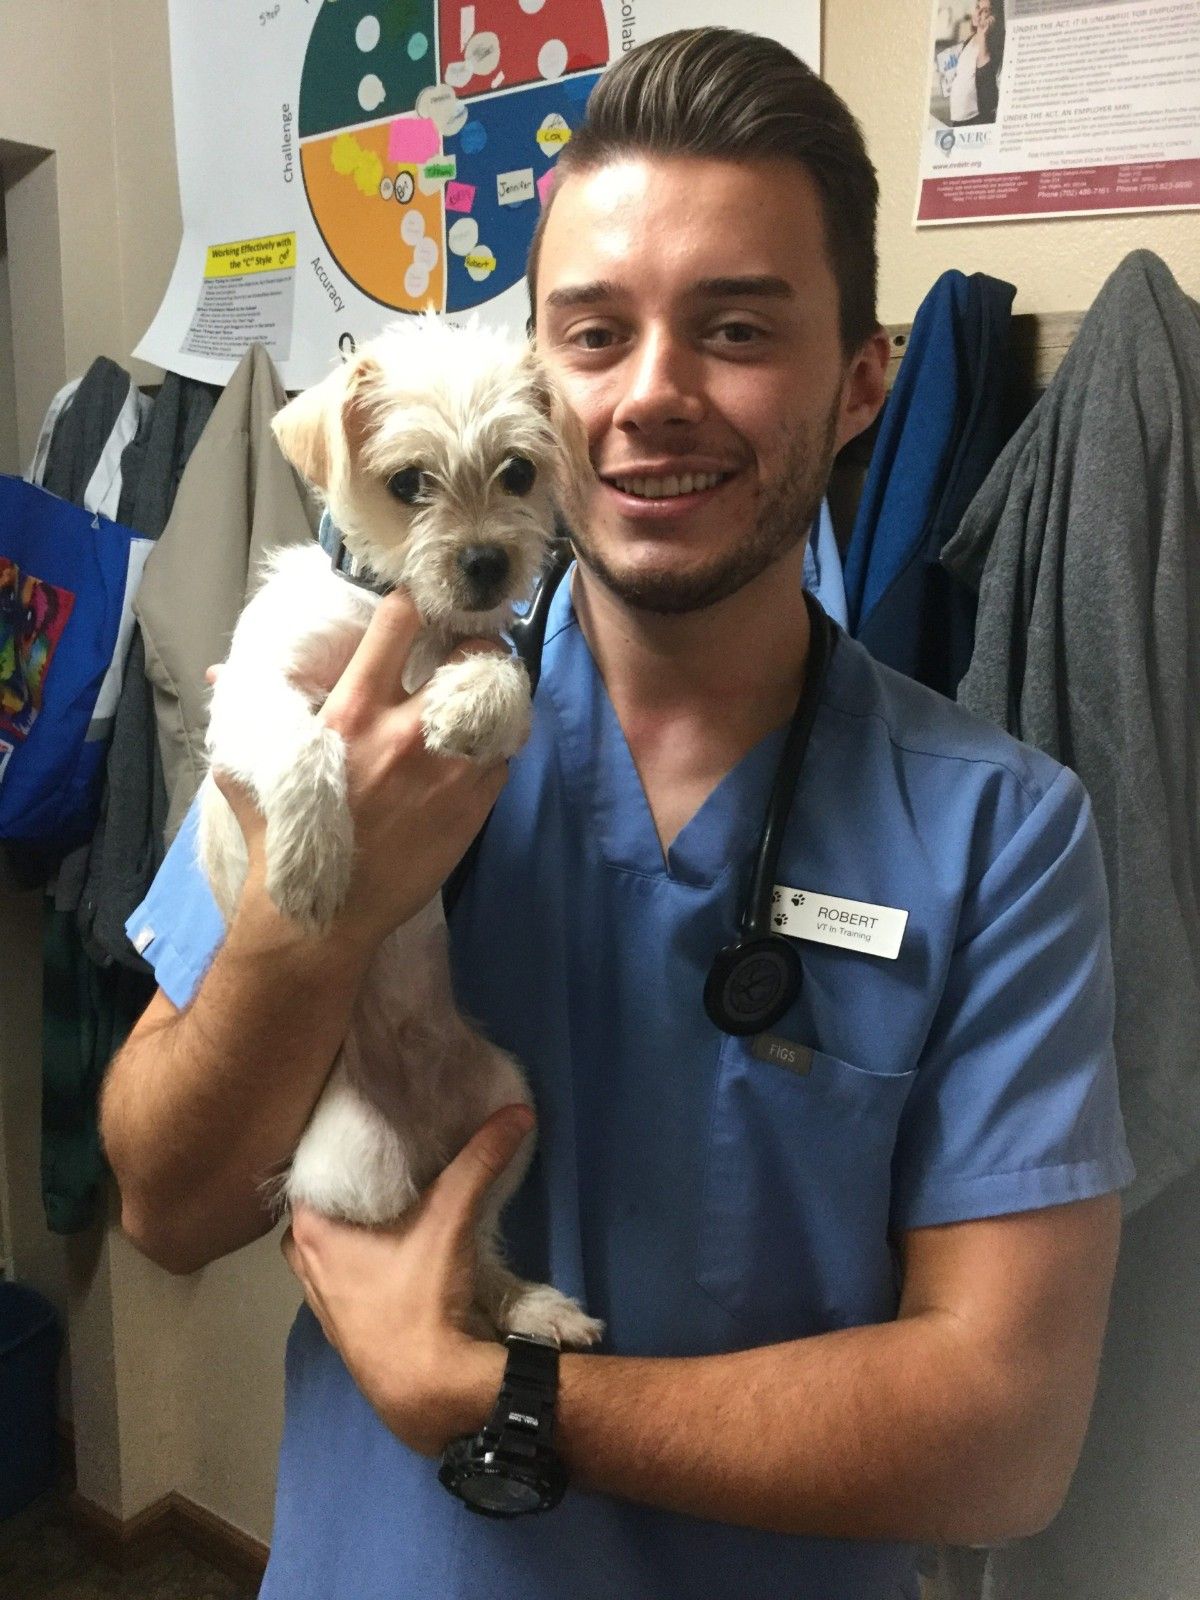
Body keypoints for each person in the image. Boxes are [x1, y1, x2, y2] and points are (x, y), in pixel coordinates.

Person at [100, 26, 1132, 1600]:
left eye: (733, 328)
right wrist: (328, 923)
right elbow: (161, 1204)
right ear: (532, 374)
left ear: (863, 383)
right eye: (592, 335)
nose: (650, 396)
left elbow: (1005, 1444)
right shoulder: (352, 720)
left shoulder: (1006, 839)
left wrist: (495, 1394)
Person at [945, 0, 1004, 126]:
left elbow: (985, 77)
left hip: (976, 119)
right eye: (978, 7)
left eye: (985, 10)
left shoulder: (993, 43)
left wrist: (983, 35)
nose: (978, 13)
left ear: (993, 17)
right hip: (958, 117)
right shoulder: (969, 40)